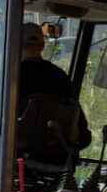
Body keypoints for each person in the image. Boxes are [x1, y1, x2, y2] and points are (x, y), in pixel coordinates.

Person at [18, 22, 91, 150]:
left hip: (19, 158)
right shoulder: (60, 77)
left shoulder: (12, 77)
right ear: (42, 46)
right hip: (59, 160)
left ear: (16, 44)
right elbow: (81, 131)